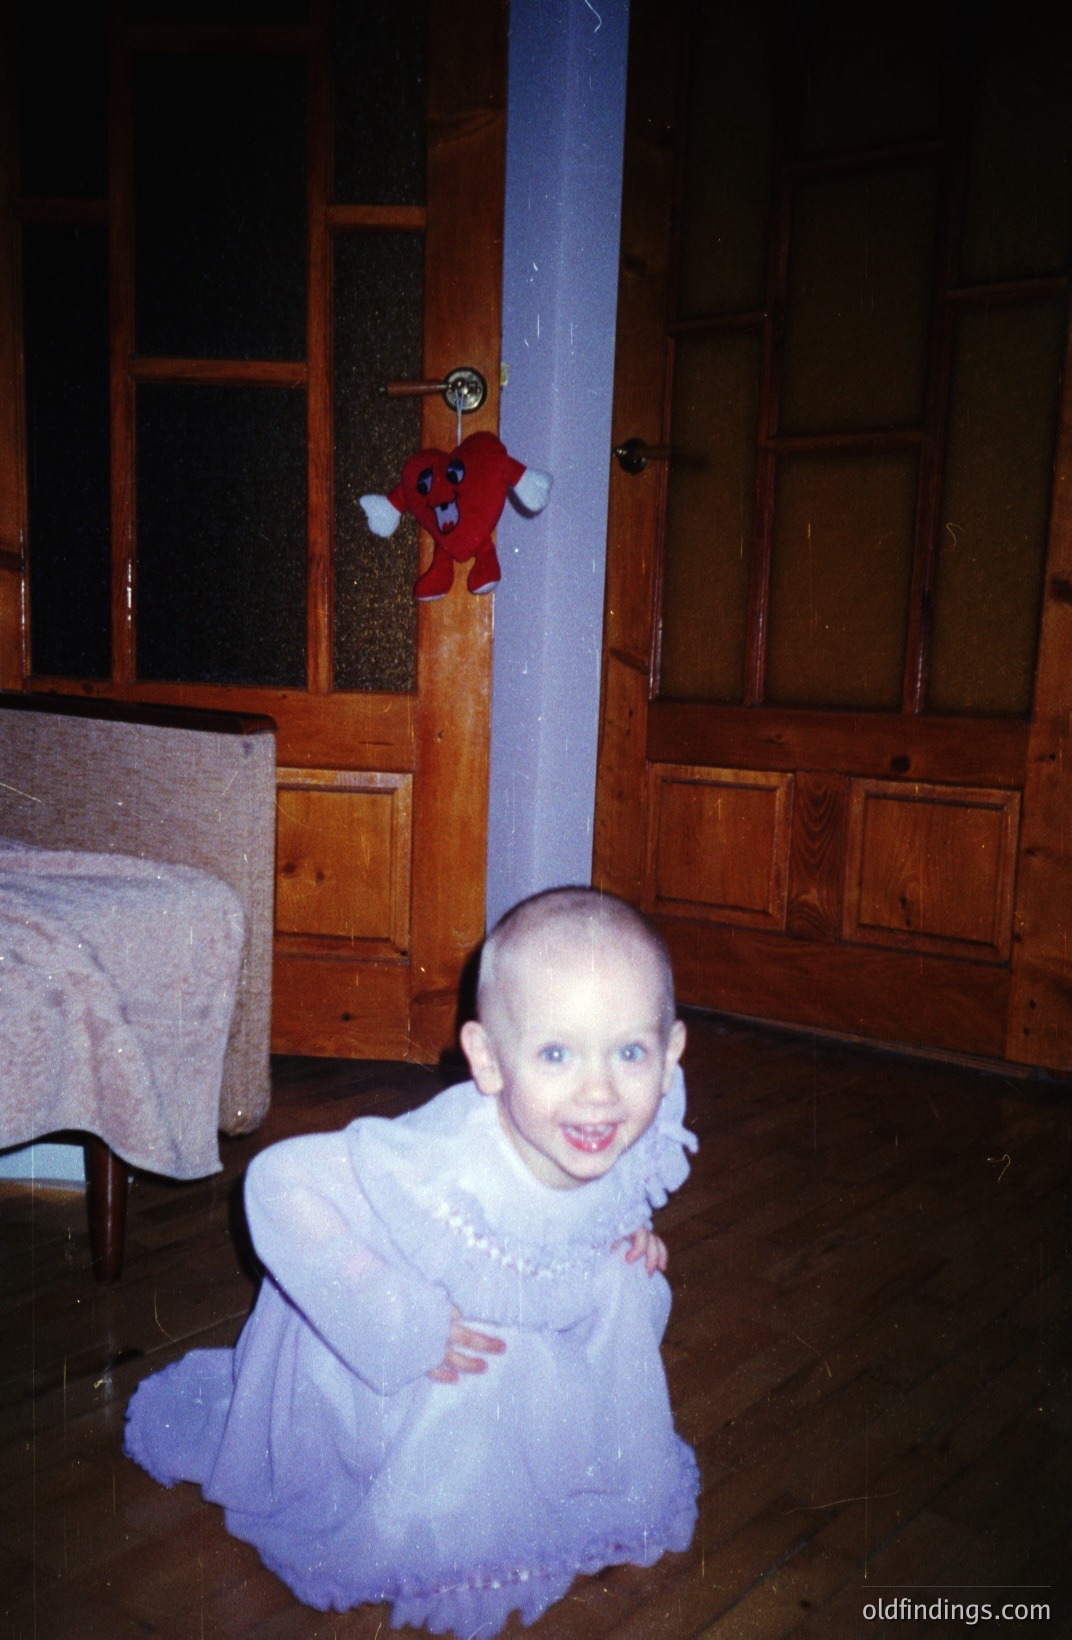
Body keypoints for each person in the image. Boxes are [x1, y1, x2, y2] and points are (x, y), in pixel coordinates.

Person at [125, 886, 699, 1636]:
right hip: (405, 1345)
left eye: (629, 1051)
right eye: (556, 1053)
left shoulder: (611, 1120)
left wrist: (631, 1230)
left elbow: (607, 1193)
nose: (598, 1090)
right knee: (471, 1390)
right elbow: (277, 1183)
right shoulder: (441, 1160)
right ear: (488, 1062)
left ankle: (546, 1471)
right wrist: (395, 1316)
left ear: (669, 1057)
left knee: (621, 1287)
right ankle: (442, 1515)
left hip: (524, 1318)